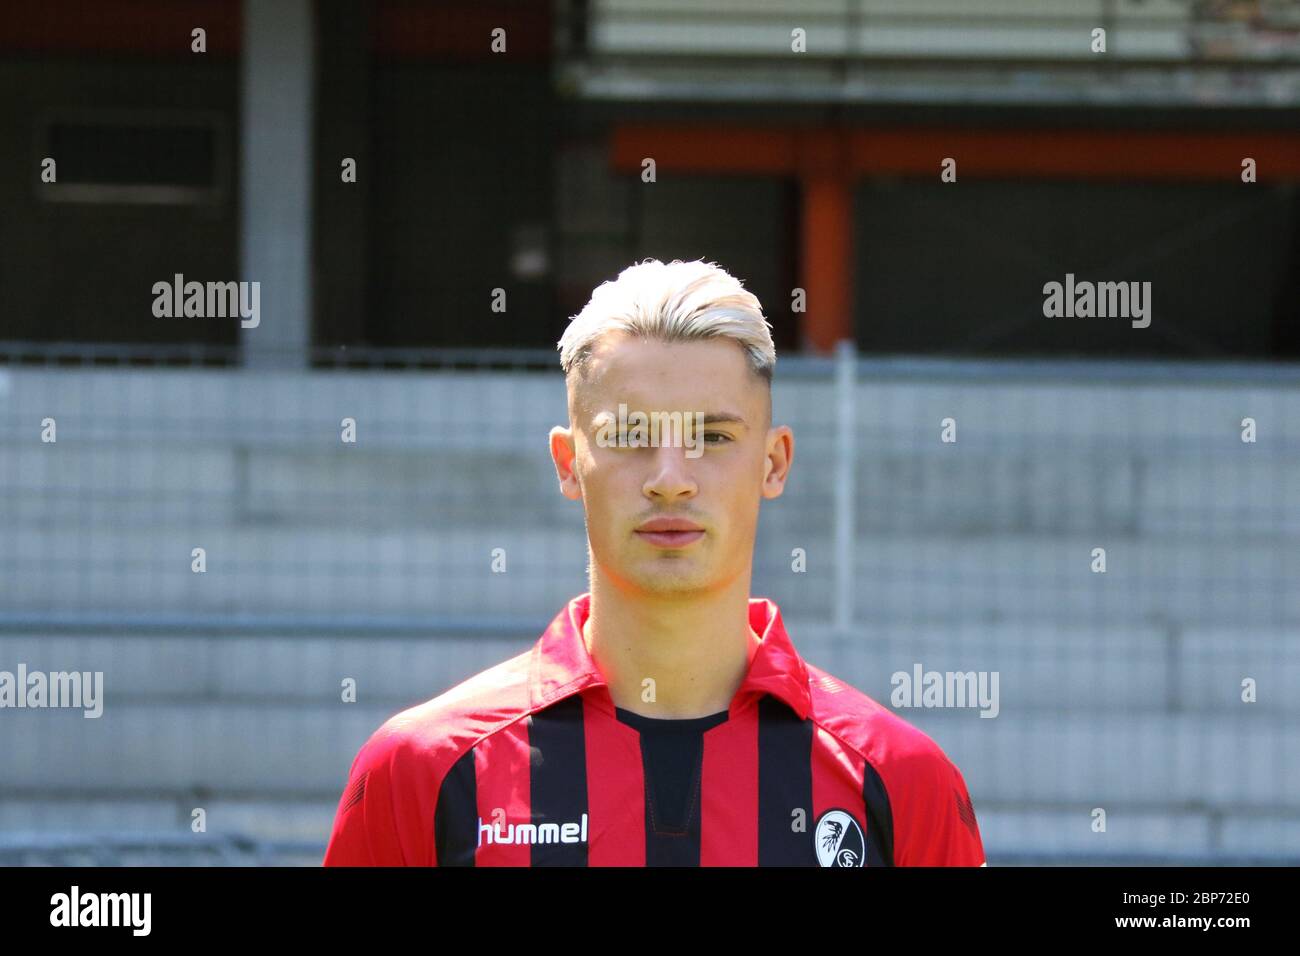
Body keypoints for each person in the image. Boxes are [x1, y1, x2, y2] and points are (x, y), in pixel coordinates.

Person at [323, 258, 986, 866]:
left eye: (711, 435)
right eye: (628, 435)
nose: (670, 478)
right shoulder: (421, 771)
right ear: (568, 463)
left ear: (774, 462)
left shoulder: (899, 781)